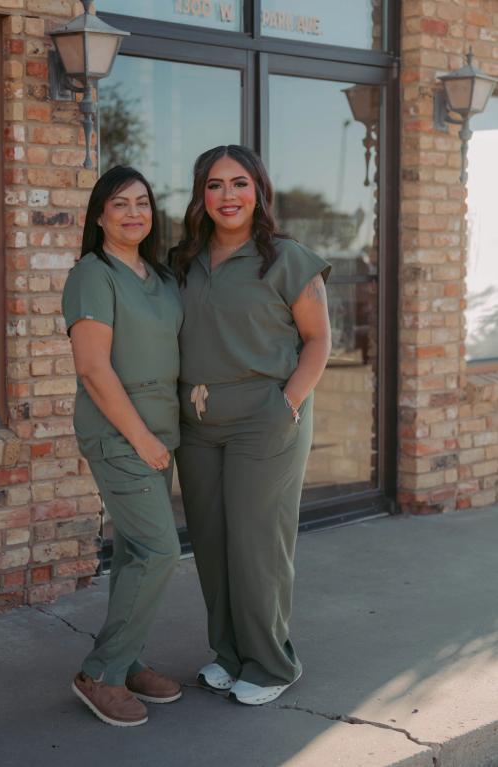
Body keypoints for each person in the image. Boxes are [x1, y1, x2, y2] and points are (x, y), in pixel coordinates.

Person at [171, 145, 332, 706]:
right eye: (214, 186)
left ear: (258, 190)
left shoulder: (287, 258)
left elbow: (318, 341)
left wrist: (287, 404)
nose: (227, 196)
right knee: (212, 545)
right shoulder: (184, 260)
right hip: (198, 421)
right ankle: (230, 655)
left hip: (265, 419)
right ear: (201, 195)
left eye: (238, 184)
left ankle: (270, 664)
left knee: (257, 545)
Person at [62, 165, 183, 727]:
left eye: (142, 203)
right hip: (120, 436)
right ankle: (101, 672)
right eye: (119, 204)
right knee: (160, 550)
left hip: (161, 434)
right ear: (98, 216)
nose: (133, 213)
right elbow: (92, 368)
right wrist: (141, 439)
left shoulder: (159, 277)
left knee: (137, 551)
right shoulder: (93, 273)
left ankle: (129, 660)